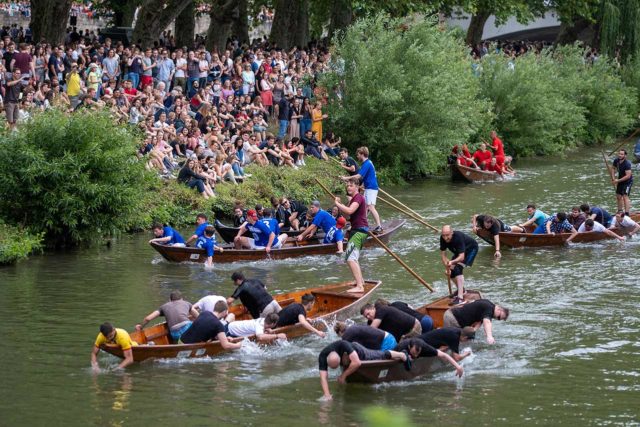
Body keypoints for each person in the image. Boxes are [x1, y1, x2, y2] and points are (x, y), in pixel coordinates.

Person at [317, 339, 409, 400]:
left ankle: (401, 354)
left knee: (379, 355)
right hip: (347, 357)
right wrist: (327, 394)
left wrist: (343, 376)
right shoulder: (323, 356)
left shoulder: (343, 345)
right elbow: (323, 378)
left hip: (357, 351)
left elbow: (357, 363)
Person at [334, 180, 369, 293]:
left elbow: (350, 210)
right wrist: (340, 205)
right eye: (347, 185)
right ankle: (360, 281)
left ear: (357, 187)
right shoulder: (354, 199)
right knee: (353, 257)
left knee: (350, 258)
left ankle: (359, 286)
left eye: (351, 185)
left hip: (359, 231)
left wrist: (338, 204)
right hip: (356, 230)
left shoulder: (358, 197)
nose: (348, 187)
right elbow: (346, 215)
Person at [341, 147, 382, 233]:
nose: (357, 156)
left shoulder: (367, 163)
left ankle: (379, 226)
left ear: (362, 154)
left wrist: (346, 178)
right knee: (365, 207)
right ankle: (361, 224)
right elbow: (364, 177)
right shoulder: (366, 163)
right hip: (368, 187)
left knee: (370, 207)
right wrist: (360, 186)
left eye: (358, 154)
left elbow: (358, 176)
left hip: (371, 188)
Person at [179, 301, 243, 350]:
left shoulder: (204, 313)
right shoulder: (218, 325)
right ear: (224, 312)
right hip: (189, 347)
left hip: (180, 341)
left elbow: (206, 329)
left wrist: (225, 338)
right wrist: (238, 345)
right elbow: (225, 346)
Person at [440, 225, 479, 305]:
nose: (445, 238)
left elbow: (461, 257)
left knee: (457, 268)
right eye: (443, 235)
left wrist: (451, 262)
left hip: (471, 249)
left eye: (447, 235)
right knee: (452, 272)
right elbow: (443, 256)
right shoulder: (442, 238)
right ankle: (462, 290)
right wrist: (447, 268)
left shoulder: (458, 237)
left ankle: (460, 298)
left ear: (452, 233)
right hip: (459, 252)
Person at [443, 299, 509, 345]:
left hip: (454, 316)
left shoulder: (488, 304)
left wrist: (474, 330)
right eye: (499, 317)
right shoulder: (489, 309)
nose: (497, 318)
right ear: (499, 309)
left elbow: (481, 321)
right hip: (452, 318)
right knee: (449, 342)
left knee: (466, 339)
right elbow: (487, 322)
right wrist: (489, 336)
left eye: (499, 319)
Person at [394, 338, 464, 377]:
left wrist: (458, 367)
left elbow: (444, 355)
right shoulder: (402, 346)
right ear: (409, 347)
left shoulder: (425, 347)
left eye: (417, 354)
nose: (415, 355)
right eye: (413, 353)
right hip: (398, 354)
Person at [612, 150, 633, 214]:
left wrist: (617, 180)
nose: (620, 155)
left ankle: (627, 213)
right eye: (619, 154)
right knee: (618, 196)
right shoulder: (616, 160)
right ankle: (620, 211)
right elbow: (613, 168)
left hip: (628, 182)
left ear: (625, 156)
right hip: (620, 180)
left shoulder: (627, 164)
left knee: (625, 196)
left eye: (622, 154)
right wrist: (613, 178)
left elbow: (628, 176)